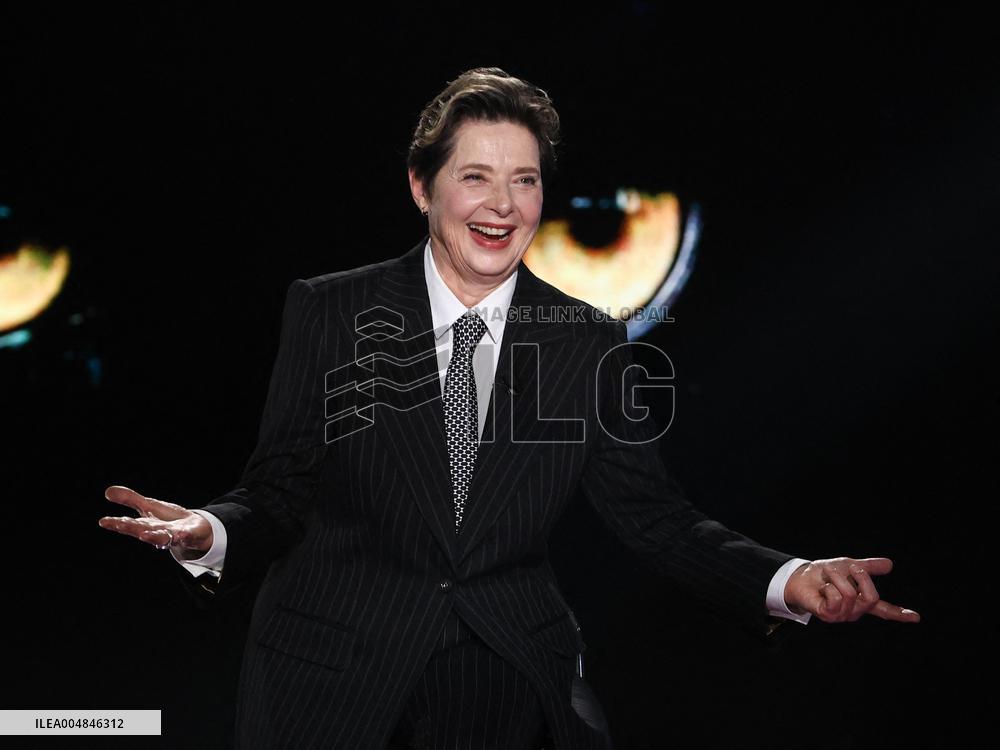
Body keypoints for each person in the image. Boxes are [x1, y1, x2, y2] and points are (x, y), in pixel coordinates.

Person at [98, 67, 920, 750]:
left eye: (523, 180)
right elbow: (279, 492)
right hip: (328, 677)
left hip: (501, 686)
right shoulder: (328, 310)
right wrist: (211, 532)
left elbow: (655, 518)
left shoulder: (585, 341)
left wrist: (788, 578)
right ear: (422, 187)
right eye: (476, 177)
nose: (503, 204)